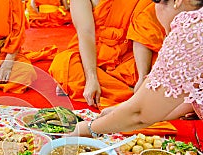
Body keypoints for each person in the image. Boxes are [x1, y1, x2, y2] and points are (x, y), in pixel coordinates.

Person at [71, 0, 203, 137]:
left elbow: (139, 113)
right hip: (104, 54)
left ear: (177, 1)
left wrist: (84, 129)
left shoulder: (191, 30)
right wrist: (120, 110)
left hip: (134, 58)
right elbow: (86, 33)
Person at [49, 0, 166, 108]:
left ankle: (137, 90)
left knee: (164, 66)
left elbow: (142, 34)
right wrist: (91, 79)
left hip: (131, 54)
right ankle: (137, 94)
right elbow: (86, 34)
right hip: (95, 54)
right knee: (65, 64)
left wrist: (142, 77)